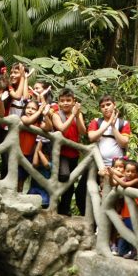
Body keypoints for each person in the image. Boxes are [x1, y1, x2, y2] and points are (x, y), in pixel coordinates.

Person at [50, 88, 87, 216]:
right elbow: (62, 130)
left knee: (70, 182)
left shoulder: (78, 114)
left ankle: (64, 208)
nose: (65, 103)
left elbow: (83, 131)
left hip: (74, 154)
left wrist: (77, 115)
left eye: (68, 100)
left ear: (73, 102)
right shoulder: (56, 114)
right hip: (61, 153)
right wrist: (73, 115)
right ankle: (56, 203)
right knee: (64, 176)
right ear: (59, 103)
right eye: (63, 101)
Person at [88, 95, 131, 168]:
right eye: (102, 106)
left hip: (118, 166)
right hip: (99, 164)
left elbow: (124, 143)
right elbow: (91, 137)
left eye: (108, 104)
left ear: (114, 105)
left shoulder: (123, 123)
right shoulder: (96, 121)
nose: (106, 108)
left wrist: (113, 126)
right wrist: (108, 123)